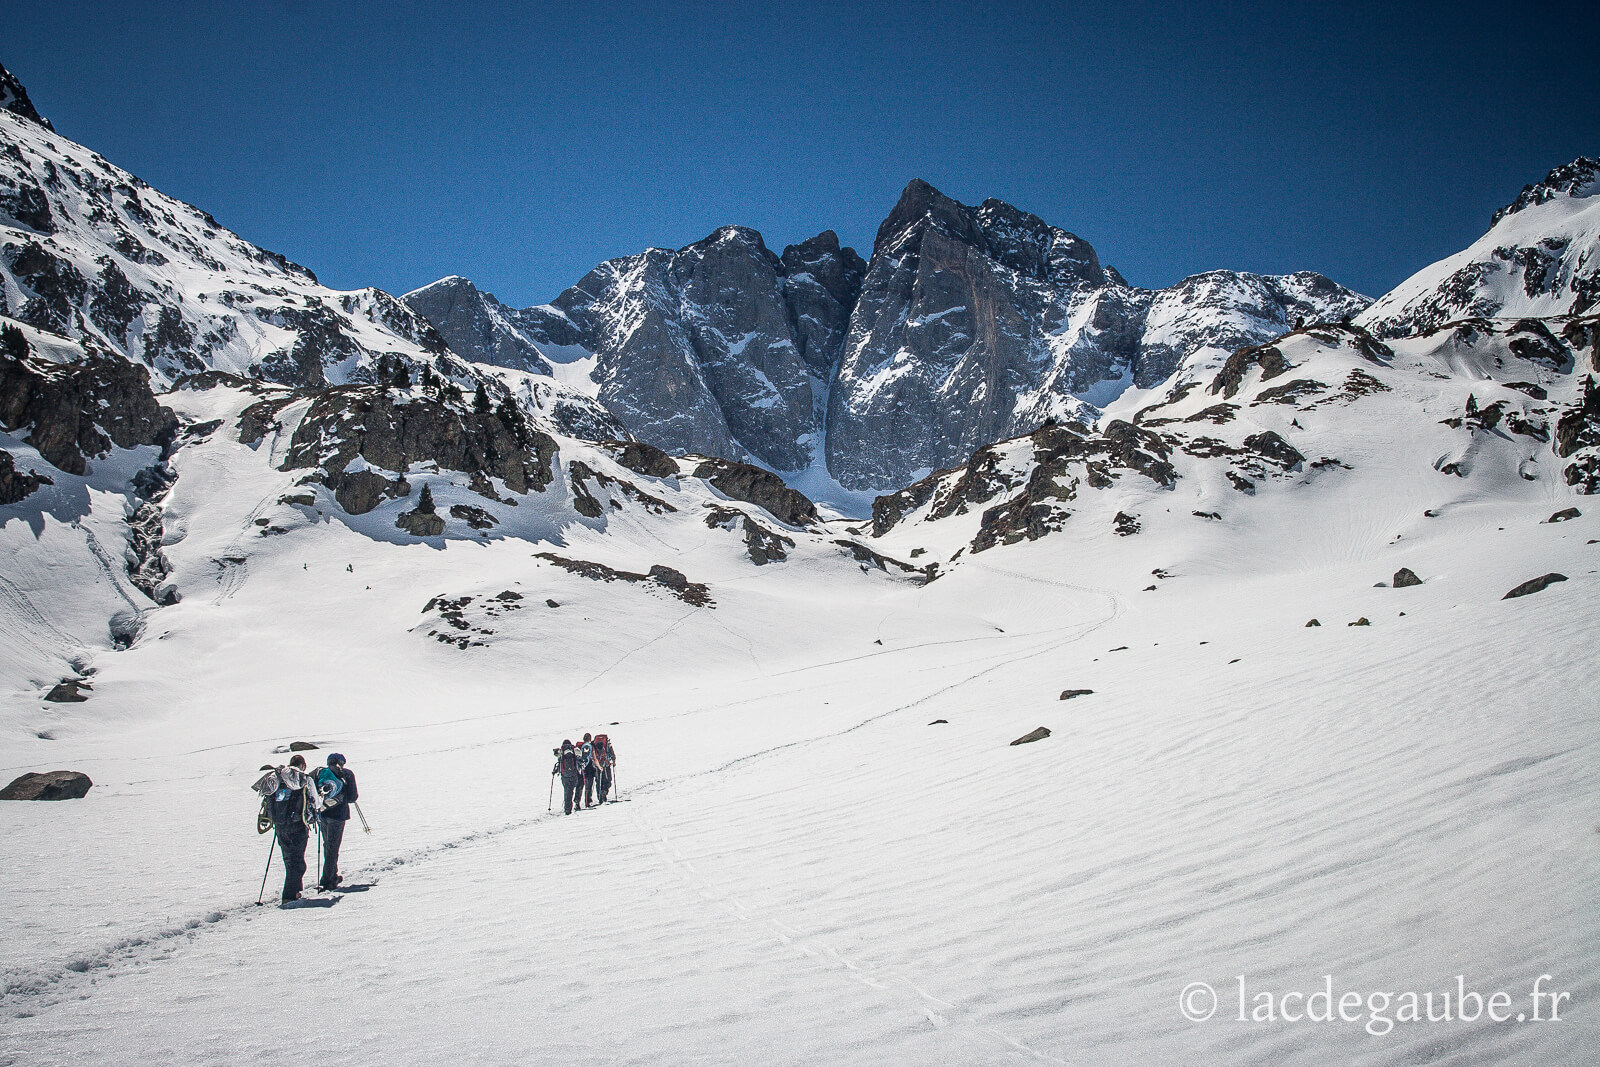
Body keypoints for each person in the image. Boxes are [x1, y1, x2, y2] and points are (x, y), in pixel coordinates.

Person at [252, 754, 322, 904]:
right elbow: (316, 803)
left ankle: (295, 892)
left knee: (289, 860)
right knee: (298, 862)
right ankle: (289, 895)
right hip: (298, 826)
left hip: (280, 826)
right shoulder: (303, 778)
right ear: (302, 765)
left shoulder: (277, 778)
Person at [316, 753, 358, 891]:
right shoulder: (346, 774)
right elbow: (353, 797)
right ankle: (329, 880)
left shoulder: (321, 773)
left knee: (327, 845)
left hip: (322, 813)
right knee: (333, 847)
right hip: (338, 815)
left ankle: (331, 875)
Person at [553, 739, 580, 814]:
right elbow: (579, 760)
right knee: (572, 790)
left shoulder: (562, 751)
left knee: (567, 791)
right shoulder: (574, 750)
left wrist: (555, 771)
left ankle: (567, 808)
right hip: (574, 774)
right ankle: (574, 803)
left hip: (565, 775)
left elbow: (559, 763)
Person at [593, 732, 616, 803]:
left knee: (599, 781)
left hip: (597, 765)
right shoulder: (607, 744)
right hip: (606, 764)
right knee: (608, 780)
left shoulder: (594, 744)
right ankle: (604, 793)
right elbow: (612, 754)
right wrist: (614, 761)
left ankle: (600, 797)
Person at [577, 733, 598, 809]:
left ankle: (577, 802)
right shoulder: (589, 746)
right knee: (588, 786)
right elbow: (593, 758)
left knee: (580, 786)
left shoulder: (580, 746)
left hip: (580, 769)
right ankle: (587, 802)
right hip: (588, 769)